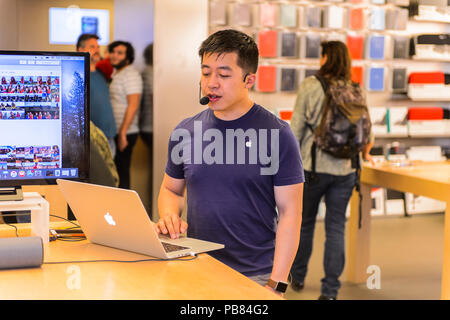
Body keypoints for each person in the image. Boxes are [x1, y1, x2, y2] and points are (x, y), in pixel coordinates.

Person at [156, 29, 304, 296]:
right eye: (205, 72)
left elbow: (290, 214)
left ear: (249, 79)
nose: (211, 83)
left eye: (223, 75)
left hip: (255, 276)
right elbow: (171, 190)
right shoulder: (185, 131)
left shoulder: (278, 135)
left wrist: (277, 283)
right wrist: (169, 214)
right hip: (196, 266)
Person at [289, 41, 374, 300]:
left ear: (325, 58)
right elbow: (366, 131)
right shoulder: (355, 89)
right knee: (336, 228)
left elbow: (295, 129)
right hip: (346, 170)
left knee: (304, 224)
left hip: (312, 168)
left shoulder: (311, 86)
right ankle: (330, 291)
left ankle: (298, 276)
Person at [108, 40, 143, 189]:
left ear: (128, 57)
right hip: (116, 131)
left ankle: (123, 209)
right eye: (113, 52)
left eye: (120, 53)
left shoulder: (131, 75)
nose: (115, 56)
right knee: (115, 172)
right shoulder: (117, 73)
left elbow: (133, 104)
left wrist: (122, 133)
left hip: (126, 132)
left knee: (122, 173)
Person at [76, 33, 117, 157]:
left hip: (109, 137)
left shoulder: (101, 73)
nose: (97, 50)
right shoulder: (78, 75)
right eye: (92, 47)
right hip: (92, 140)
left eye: (98, 47)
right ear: (81, 49)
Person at [139, 43, 154, 206]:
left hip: (145, 124)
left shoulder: (145, 72)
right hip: (151, 126)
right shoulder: (151, 73)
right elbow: (153, 98)